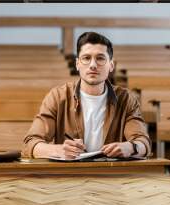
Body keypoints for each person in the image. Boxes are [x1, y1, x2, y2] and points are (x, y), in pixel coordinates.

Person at [23, 31, 151, 159]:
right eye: (86, 58)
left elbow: (143, 143)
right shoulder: (57, 97)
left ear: (111, 65)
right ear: (77, 64)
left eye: (100, 58)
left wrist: (131, 147)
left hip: (113, 174)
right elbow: (31, 143)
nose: (93, 65)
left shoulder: (126, 99)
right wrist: (57, 150)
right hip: (69, 175)